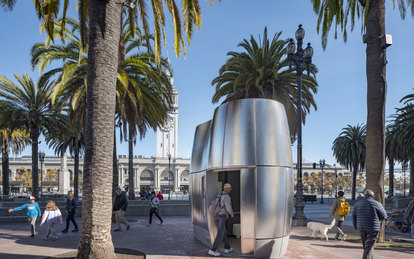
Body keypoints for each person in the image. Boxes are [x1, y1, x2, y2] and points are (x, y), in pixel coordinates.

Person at [352, 189, 387, 259]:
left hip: (361, 227)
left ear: (364, 196)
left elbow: (354, 216)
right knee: (369, 247)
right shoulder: (377, 204)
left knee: (366, 247)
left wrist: (356, 226)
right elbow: (384, 216)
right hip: (373, 227)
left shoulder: (357, 204)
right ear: (373, 196)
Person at [208, 183, 234, 257]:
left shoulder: (218, 195)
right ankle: (212, 250)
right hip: (221, 216)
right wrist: (232, 214)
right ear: (227, 189)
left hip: (215, 215)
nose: (230, 190)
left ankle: (227, 248)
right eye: (229, 189)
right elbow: (228, 208)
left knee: (224, 232)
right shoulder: (226, 196)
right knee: (220, 234)